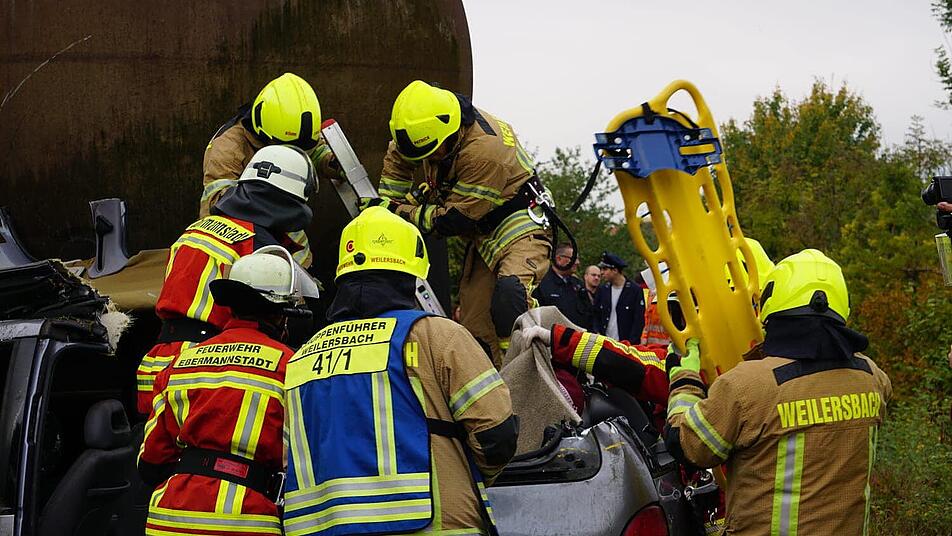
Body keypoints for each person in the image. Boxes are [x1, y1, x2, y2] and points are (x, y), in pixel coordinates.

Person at [282, 207, 518, 535]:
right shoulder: (439, 336)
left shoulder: (302, 358)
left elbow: (288, 458)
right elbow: (496, 434)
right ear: (411, 276)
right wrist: (463, 473)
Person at [664, 249, 891, 535]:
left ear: (773, 303)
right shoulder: (873, 379)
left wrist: (683, 379)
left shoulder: (746, 387)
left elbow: (687, 447)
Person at [365, 80, 551, 364]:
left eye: (432, 153)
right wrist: (386, 210)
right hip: (483, 234)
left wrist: (400, 212)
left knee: (510, 300)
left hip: (519, 225)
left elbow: (454, 220)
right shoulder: (423, 127)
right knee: (476, 329)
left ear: (452, 133)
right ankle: (495, 379)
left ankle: (529, 372)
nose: (429, 160)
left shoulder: (485, 153)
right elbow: (400, 161)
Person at [135, 144, 315, 415]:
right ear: (288, 203)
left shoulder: (196, 229)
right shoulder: (257, 245)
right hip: (212, 374)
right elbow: (283, 319)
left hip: (159, 364)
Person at [138, 247, 301, 536]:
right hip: (246, 519)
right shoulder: (290, 365)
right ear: (281, 314)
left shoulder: (181, 362)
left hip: (169, 518)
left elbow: (151, 461)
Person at [201, 72, 337, 267]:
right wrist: (276, 204)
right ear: (264, 133)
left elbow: (313, 151)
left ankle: (302, 277)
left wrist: (332, 163)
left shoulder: (287, 129)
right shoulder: (228, 149)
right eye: (287, 147)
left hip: (285, 235)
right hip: (239, 244)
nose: (293, 154)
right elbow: (217, 205)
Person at [532, 243, 591, 329]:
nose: (577, 262)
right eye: (573, 259)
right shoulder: (541, 284)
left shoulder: (578, 284)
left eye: (578, 259)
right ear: (559, 259)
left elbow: (589, 313)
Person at [593, 252, 645, 342]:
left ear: (615, 270)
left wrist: (631, 343)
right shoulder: (603, 290)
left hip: (626, 344)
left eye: (605, 269)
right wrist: (597, 332)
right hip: (605, 342)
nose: (601, 273)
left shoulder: (634, 290)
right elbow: (596, 314)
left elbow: (639, 320)